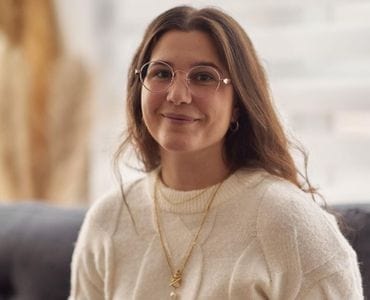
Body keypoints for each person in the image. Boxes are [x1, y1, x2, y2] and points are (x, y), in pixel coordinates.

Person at [69, 5, 363, 300]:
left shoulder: (291, 224)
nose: (177, 95)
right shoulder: (108, 220)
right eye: (161, 73)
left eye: (204, 77)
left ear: (238, 103)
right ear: (139, 89)